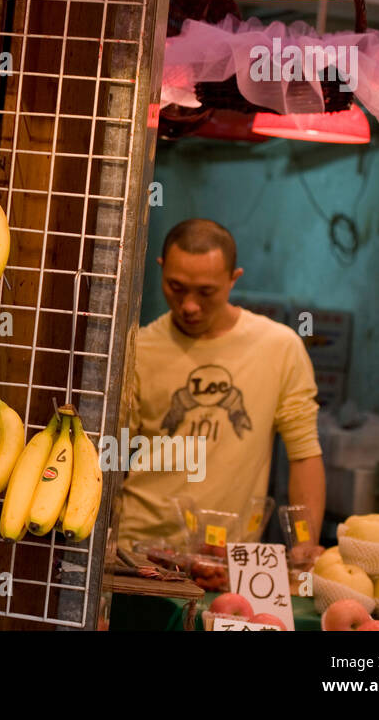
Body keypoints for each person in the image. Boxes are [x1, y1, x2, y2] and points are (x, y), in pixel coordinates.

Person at [117, 218, 325, 564]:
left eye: (206, 292)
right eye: (176, 287)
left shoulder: (279, 347)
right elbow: (116, 457)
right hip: (139, 552)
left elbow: (303, 453)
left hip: (228, 558)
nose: (189, 306)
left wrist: (305, 541)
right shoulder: (140, 348)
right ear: (161, 269)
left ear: (234, 279)